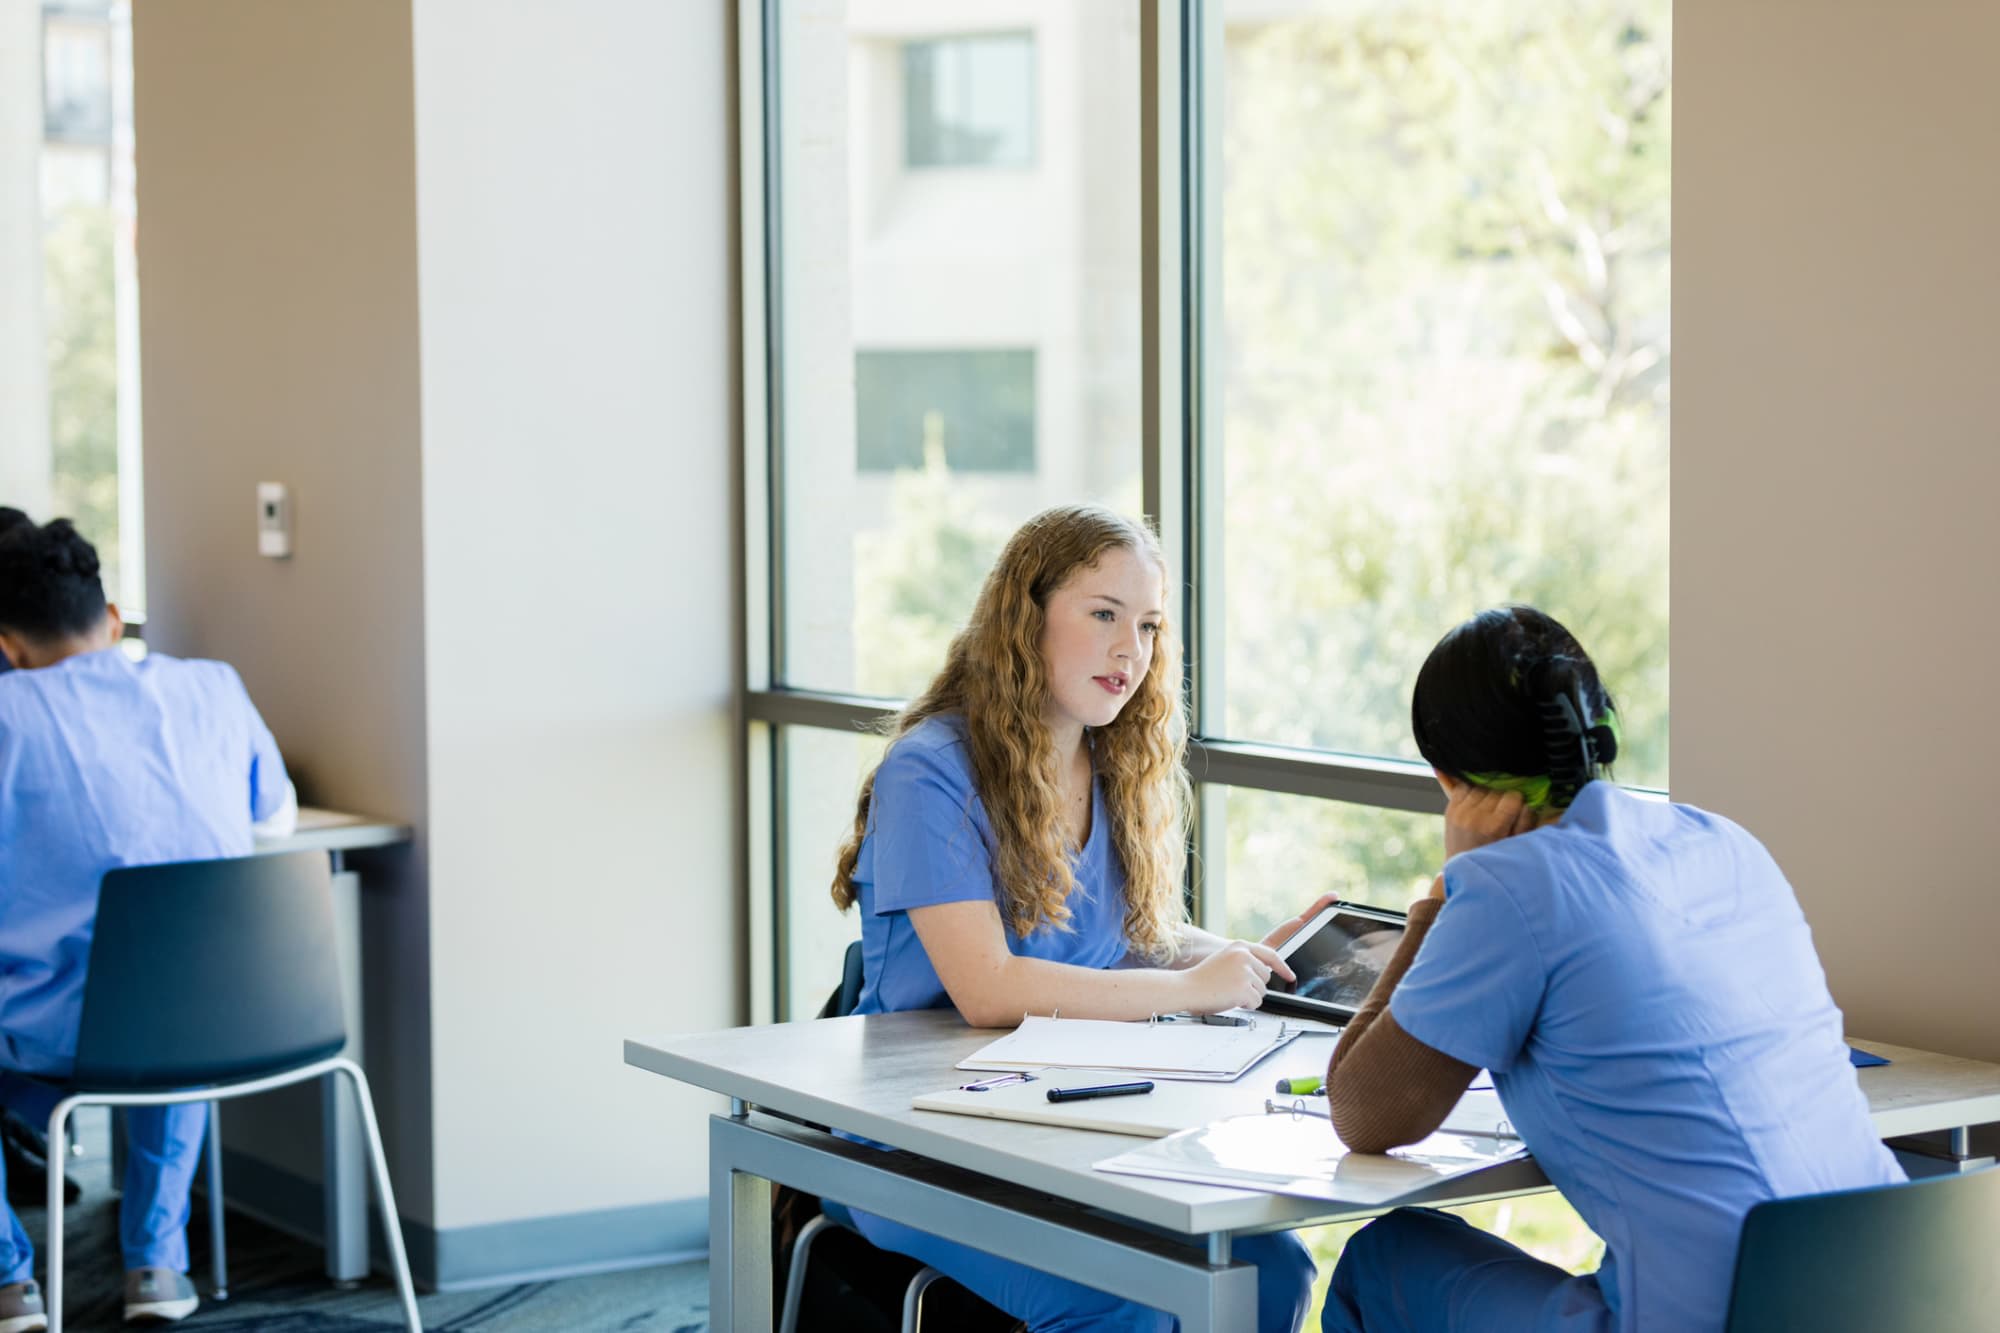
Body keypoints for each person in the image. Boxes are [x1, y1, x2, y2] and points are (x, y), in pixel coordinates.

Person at [1318, 605, 1904, 1333]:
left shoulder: (1509, 887)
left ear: (1448, 778)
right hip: (1898, 1289)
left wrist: (1448, 887)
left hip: (1711, 1318)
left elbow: (1363, 1113)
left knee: (1385, 1258)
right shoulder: (1723, 841)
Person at [831, 503, 1319, 1333]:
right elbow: (988, 989)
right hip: (924, 1139)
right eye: (1103, 615)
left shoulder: (1115, 761)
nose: (1132, 651)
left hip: (1066, 1118)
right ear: (1028, 618)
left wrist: (1235, 957)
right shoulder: (931, 772)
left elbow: (1137, 936)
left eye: (1151, 625)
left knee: (1273, 1266)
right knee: (1125, 1299)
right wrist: (1191, 987)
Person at [0, 517, 297, 1329]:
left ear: (7, 645)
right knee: (171, 984)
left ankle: (8, 1282)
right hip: (215, 1029)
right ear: (115, 613)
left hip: (49, 1037)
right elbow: (274, 822)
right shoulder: (212, 686)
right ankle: (157, 1266)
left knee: (118, 996)